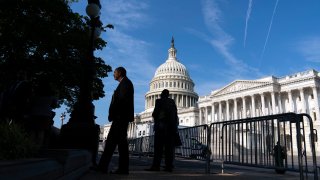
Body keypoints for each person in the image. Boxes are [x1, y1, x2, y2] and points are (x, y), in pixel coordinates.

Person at [95, 67, 134, 174]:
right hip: (120, 118)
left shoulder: (125, 83)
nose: (113, 74)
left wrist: (115, 115)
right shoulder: (124, 83)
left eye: (115, 72)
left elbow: (121, 102)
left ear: (120, 73)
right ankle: (112, 167)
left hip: (120, 118)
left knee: (115, 144)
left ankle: (108, 167)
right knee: (117, 144)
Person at [146, 89, 178, 172]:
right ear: (168, 95)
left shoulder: (159, 101)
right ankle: (169, 167)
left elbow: (155, 113)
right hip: (171, 128)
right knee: (169, 149)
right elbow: (175, 115)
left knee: (158, 148)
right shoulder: (172, 102)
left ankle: (156, 166)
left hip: (161, 127)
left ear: (162, 94)